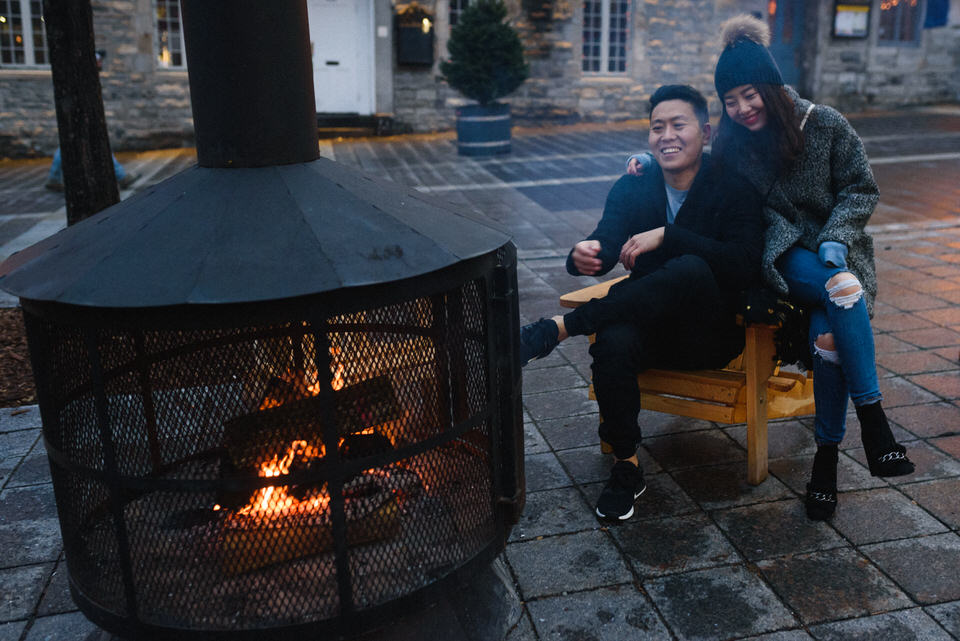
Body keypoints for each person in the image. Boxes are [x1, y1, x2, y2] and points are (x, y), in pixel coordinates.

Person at [627, 15, 914, 521]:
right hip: (779, 256)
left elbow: (860, 188)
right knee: (842, 291)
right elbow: (695, 156)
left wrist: (836, 238)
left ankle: (825, 465)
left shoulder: (824, 123)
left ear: (771, 86)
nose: (741, 109)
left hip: (835, 253)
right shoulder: (735, 145)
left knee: (830, 336)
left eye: (749, 94)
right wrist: (651, 161)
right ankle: (875, 422)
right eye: (730, 100)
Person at [520, 84, 764, 522]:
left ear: (705, 133)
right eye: (657, 127)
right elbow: (608, 241)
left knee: (690, 266)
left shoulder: (733, 187)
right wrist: (584, 255)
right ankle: (626, 466)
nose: (666, 135)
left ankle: (558, 329)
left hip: (707, 334)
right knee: (612, 340)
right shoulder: (636, 185)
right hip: (649, 327)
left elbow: (744, 264)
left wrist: (670, 236)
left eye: (678, 125)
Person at [44, 49, 139, 192]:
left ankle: (54, 177)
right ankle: (121, 176)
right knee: (96, 144)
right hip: (81, 116)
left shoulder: (83, 75)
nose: (101, 64)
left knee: (67, 146)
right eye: (99, 61)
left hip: (79, 115)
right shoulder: (83, 76)